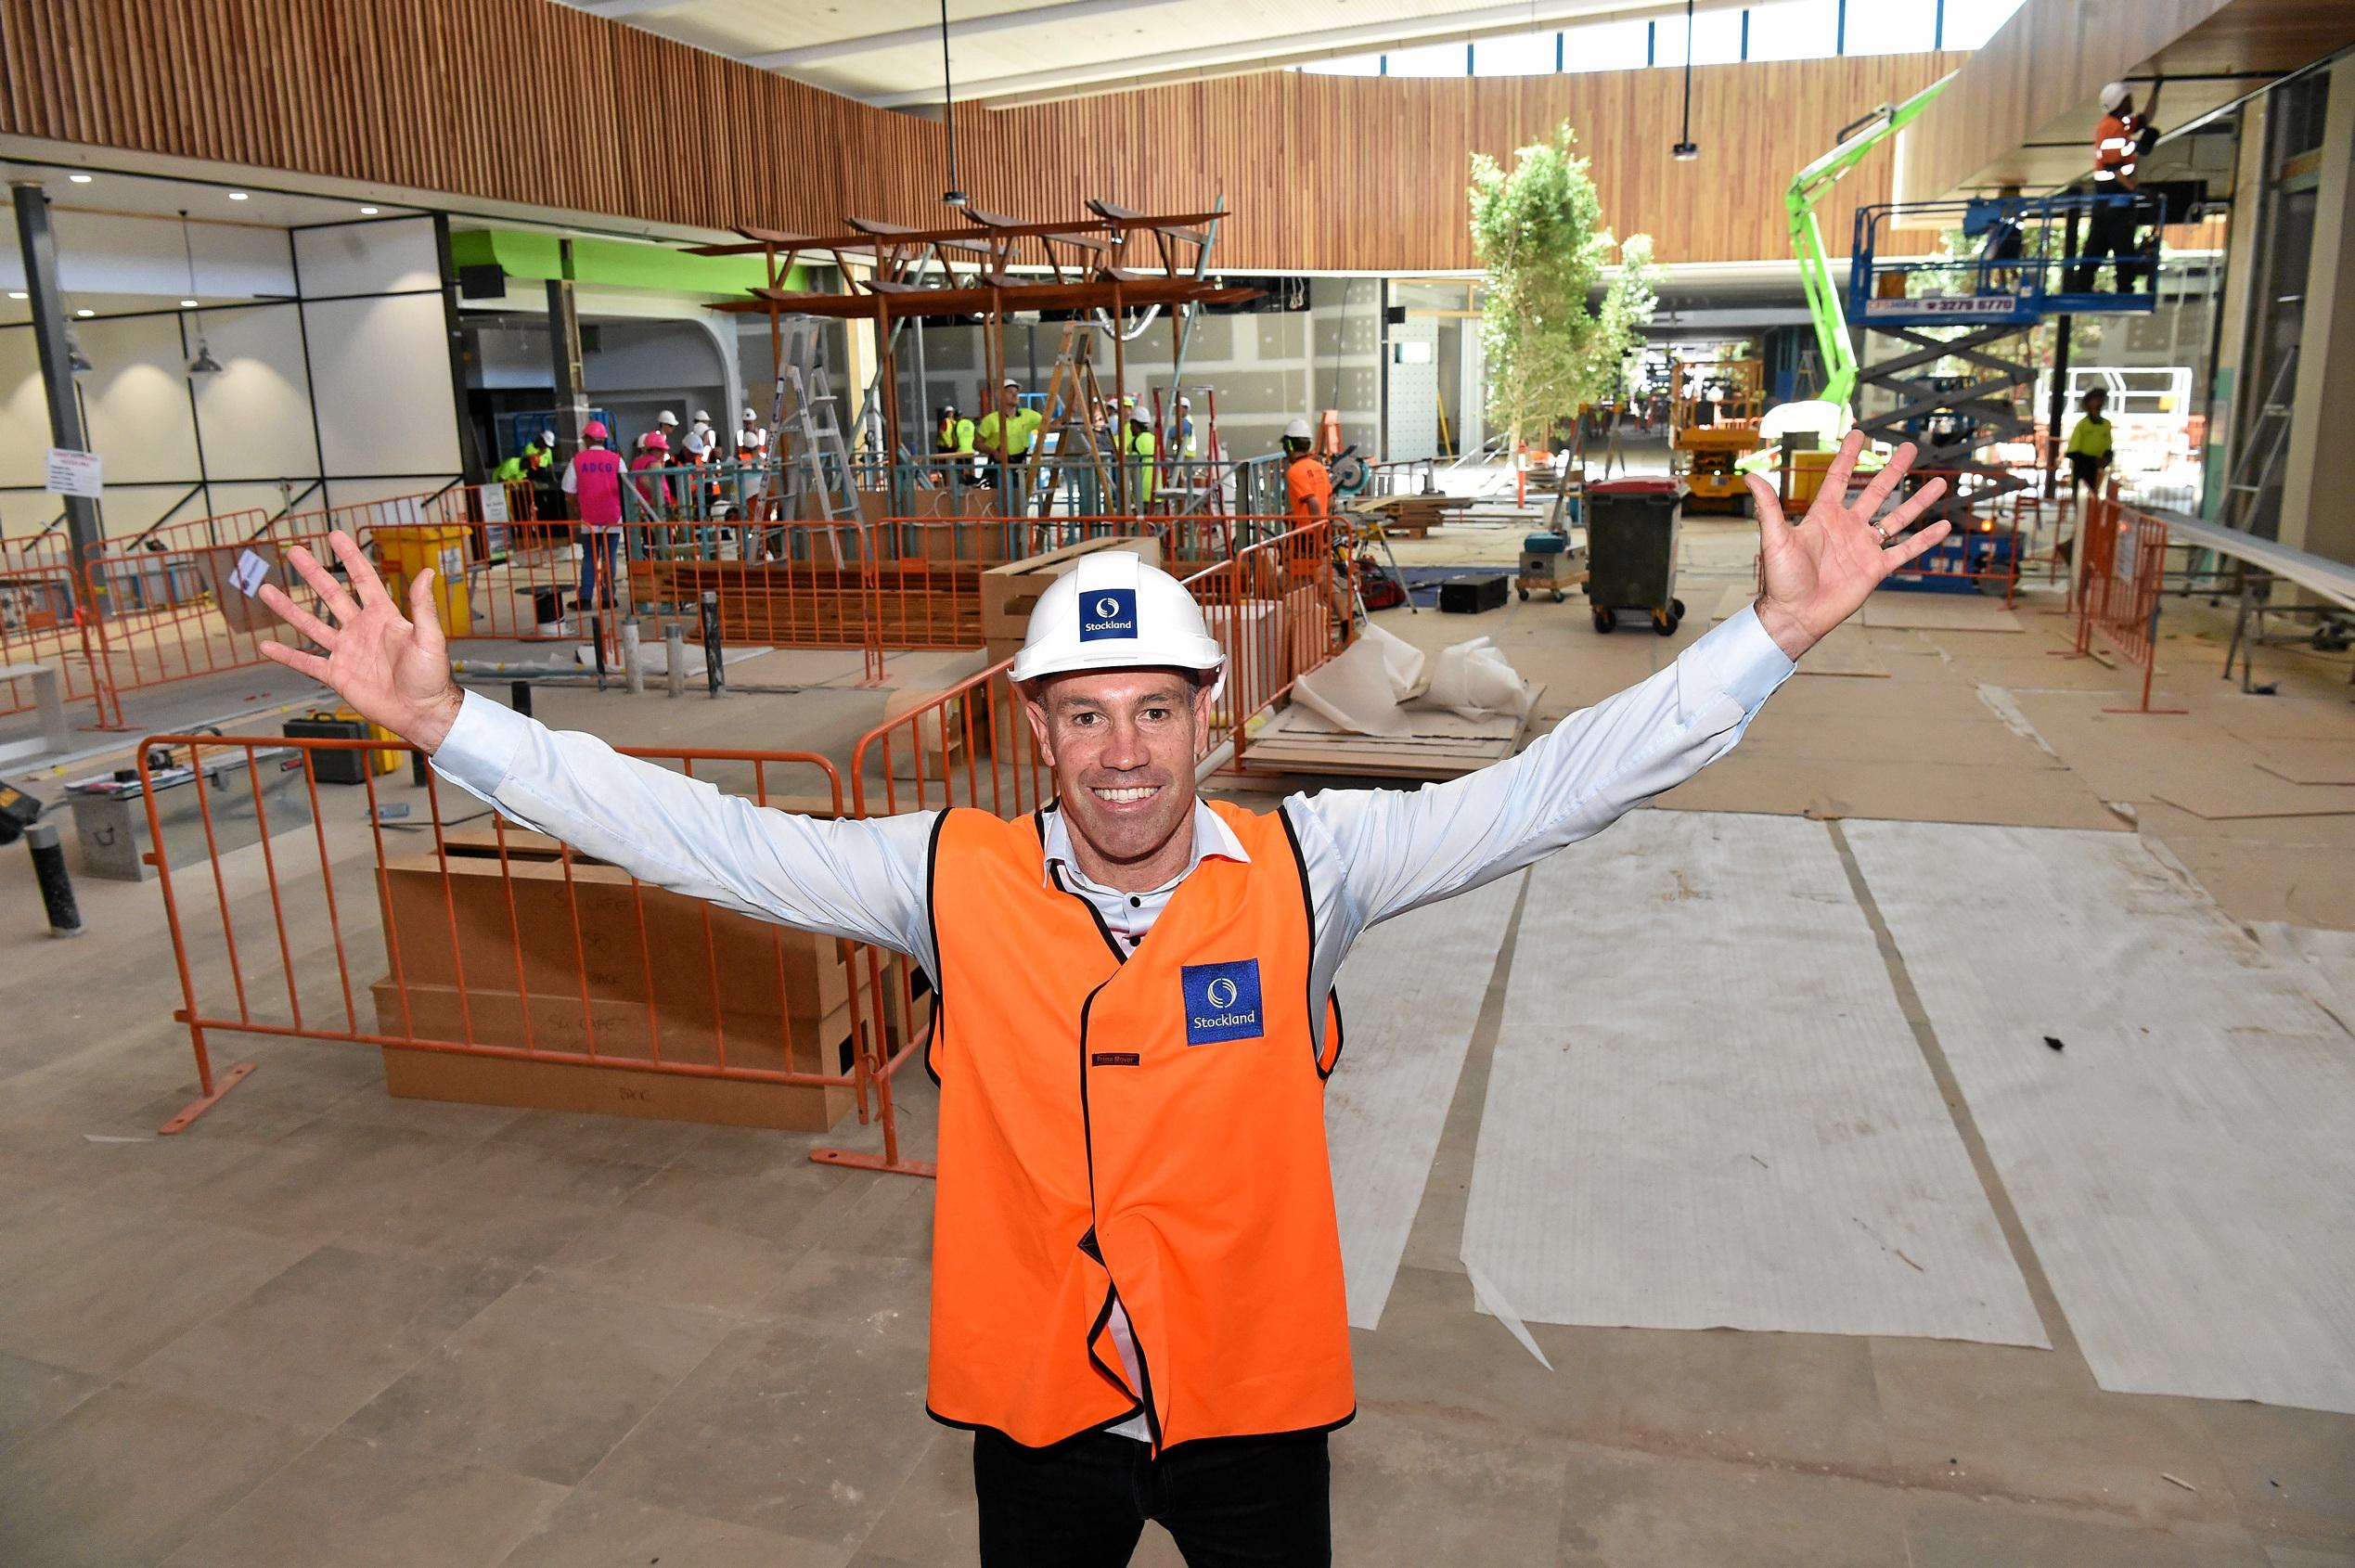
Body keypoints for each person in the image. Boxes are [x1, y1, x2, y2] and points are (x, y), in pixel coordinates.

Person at [250, 430, 1949, 1568]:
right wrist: (451, 730)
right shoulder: (939, 878)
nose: (1121, 753)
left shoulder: (1315, 871)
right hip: (1043, 1411)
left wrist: (1765, 644)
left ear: (1207, 717)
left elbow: (1561, 782)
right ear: (1036, 729)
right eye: (1084, 715)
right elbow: (692, 832)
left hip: (1249, 1404)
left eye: (1154, 711)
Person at [2068, 82, 2157, 294]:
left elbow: (2145, 119)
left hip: (2110, 196)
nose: (2131, 102)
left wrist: (2157, 88)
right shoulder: (2111, 128)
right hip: (2113, 193)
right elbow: (2114, 167)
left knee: (2098, 244)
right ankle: (2124, 287)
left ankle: (2083, 285)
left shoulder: (2121, 125)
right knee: (2121, 243)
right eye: (2128, 99)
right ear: (2121, 102)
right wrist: (2136, 190)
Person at [560, 419, 625, 614]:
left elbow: (568, 492)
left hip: (589, 519)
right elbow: (626, 489)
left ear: (588, 439)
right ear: (604, 439)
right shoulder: (616, 460)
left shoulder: (577, 461)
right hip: (613, 518)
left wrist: (578, 508)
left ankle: (585, 598)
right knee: (609, 557)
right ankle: (608, 598)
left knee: (590, 558)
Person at [975, 379, 1044, 497]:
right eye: (1010, 392)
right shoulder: (991, 420)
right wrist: (994, 452)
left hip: (1019, 467)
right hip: (999, 468)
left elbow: (1049, 425)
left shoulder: (1028, 415)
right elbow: (976, 444)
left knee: (1019, 502)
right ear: (1000, 396)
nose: (1015, 394)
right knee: (1002, 503)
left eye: (1016, 392)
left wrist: (1066, 415)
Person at [2064, 387, 2114, 510]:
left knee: (2096, 506)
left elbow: (2108, 447)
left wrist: (2106, 459)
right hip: (2083, 471)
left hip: (2099, 473)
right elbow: (2072, 452)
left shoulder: (2106, 425)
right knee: (2082, 507)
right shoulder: (2083, 425)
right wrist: (2092, 461)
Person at [1282, 417, 1331, 523]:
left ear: (1288, 446)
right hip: (1323, 531)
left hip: (1306, 535)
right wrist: (1297, 513)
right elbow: (1330, 502)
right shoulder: (1319, 467)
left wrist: (1316, 535)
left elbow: (1313, 502)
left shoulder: (1295, 471)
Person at [628, 429, 673, 520]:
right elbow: (644, 480)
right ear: (651, 449)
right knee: (664, 533)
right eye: (660, 450)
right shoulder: (653, 462)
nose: (663, 453)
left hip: (643, 509)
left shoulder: (636, 462)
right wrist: (659, 497)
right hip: (657, 507)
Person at [1123, 406, 1158, 510]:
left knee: (1142, 524)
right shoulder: (1154, 439)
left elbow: (1130, 465)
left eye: (1131, 425)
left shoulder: (1136, 441)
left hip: (1142, 491)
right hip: (1157, 488)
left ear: (1135, 424)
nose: (1130, 428)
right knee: (1157, 524)